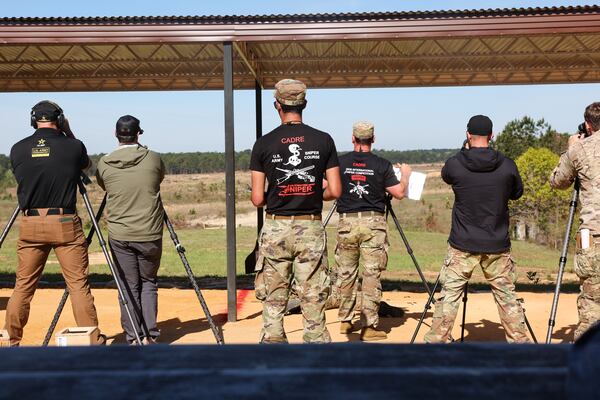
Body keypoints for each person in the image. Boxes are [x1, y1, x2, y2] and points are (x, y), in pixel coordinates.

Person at [424, 115, 531, 343]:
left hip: (462, 244)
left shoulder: (456, 164)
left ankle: (435, 343)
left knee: (450, 297)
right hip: (497, 244)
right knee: (507, 298)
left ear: (468, 135)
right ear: (492, 136)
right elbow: (516, 193)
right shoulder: (507, 165)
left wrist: (463, 151)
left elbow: (446, 175)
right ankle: (521, 346)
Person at [250, 79, 341, 344]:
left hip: (276, 226)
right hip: (310, 226)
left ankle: (274, 344)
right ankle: (315, 348)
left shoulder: (263, 144)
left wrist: (279, 194)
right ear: (304, 105)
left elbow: (257, 198)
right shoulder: (323, 140)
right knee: (312, 293)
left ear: (276, 105)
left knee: (274, 294)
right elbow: (335, 190)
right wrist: (313, 192)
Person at [5, 100, 101, 346]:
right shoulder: (73, 146)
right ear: (59, 120)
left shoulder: (17, 149)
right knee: (78, 285)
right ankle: (90, 342)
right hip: (64, 221)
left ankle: (10, 341)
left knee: (23, 287)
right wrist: (68, 132)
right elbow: (86, 164)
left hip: (30, 221)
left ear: (32, 120)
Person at [334, 121, 411, 341]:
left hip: (346, 222)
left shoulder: (340, 163)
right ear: (373, 139)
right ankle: (368, 326)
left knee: (346, 273)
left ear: (353, 138)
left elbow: (326, 189)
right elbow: (398, 193)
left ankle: (345, 321)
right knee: (370, 275)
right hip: (373, 224)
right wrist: (404, 175)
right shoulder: (382, 165)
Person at [96, 115, 165, 345]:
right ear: (138, 134)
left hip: (120, 234)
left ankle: (133, 336)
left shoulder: (105, 163)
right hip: (150, 232)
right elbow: (159, 178)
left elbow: (103, 184)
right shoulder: (153, 158)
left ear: (116, 135)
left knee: (128, 284)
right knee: (148, 282)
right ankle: (151, 335)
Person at [550, 102, 600, 340]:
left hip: (593, 234)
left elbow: (558, 181)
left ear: (588, 125)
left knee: (591, 300)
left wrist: (571, 148)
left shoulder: (580, 149)